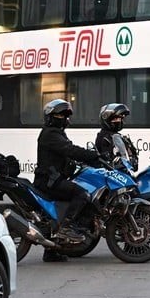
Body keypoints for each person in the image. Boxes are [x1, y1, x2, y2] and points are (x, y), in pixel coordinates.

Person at [35, 99, 102, 262]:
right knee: (82, 194)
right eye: (59, 115)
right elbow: (69, 149)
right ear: (50, 117)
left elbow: (66, 154)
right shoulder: (50, 133)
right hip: (48, 182)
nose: (63, 118)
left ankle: (52, 250)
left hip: (53, 179)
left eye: (65, 115)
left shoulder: (56, 133)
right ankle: (67, 227)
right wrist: (93, 155)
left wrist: (88, 161)